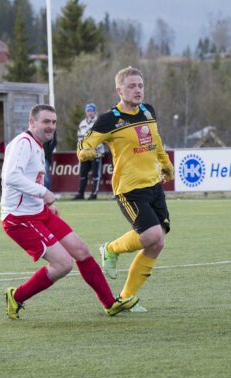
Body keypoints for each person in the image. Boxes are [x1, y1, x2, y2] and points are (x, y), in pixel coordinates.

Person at [1, 104, 138, 319]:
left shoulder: (36, 145)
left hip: (39, 212)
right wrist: (45, 193)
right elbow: (11, 178)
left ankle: (110, 303)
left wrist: (45, 203)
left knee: (81, 250)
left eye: (54, 122)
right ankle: (16, 296)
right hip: (19, 219)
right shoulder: (23, 144)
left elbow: (28, 179)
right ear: (32, 122)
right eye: (46, 121)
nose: (51, 127)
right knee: (63, 265)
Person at [77, 66, 174, 311]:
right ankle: (110, 249)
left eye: (140, 85)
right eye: (131, 86)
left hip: (153, 185)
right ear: (119, 90)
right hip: (129, 189)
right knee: (152, 235)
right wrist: (86, 152)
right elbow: (85, 144)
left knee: (158, 243)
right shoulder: (110, 119)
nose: (137, 90)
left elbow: (156, 140)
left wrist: (166, 164)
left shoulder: (148, 110)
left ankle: (126, 298)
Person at [74, 103, 106, 200]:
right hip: (84, 153)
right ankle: (81, 194)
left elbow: (102, 137)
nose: (89, 112)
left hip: (95, 153)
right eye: (88, 111)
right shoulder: (82, 123)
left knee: (96, 175)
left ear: (94, 111)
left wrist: (94, 148)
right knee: (83, 174)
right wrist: (80, 150)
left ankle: (94, 194)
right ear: (86, 112)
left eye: (91, 111)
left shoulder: (98, 122)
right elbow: (79, 138)